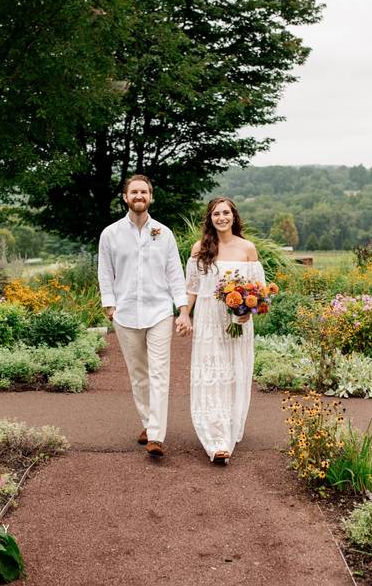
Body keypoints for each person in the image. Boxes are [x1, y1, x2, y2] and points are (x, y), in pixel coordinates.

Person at [97, 175, 192, 458]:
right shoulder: (110, 234)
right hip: (125, 313)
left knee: (160, 373)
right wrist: (110, 305)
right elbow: (105, 271)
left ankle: (156, 436)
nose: (139, 196)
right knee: (139, 374)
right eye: (134, 192)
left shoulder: (164, 233)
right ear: (125, 197)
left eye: (144, 192)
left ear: (150, 197)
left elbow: (175, 273)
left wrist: (182, 309)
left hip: (160, 311)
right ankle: (148, 422)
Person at [184, 197, 263, 464]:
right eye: (216, 214)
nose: (221, 218)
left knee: (233, 373)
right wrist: (185, 313)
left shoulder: (248, 249)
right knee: (213, 375)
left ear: (233, 216)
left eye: (226, 213)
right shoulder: (200, 248)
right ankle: (216, 439)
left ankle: (229, 424)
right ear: (210, 218)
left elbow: (259, 292)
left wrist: (246, 313)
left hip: (237, 321)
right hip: (208, 319)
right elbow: (192, 286)